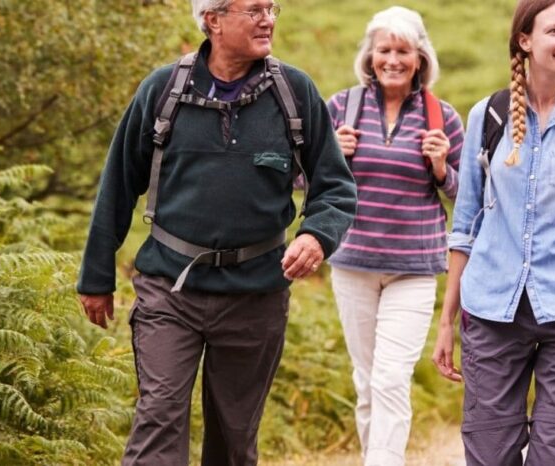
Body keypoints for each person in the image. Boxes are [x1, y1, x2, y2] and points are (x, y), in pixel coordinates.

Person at [75, 0, 357, 464]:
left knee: (233, 437)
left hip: (257, 293)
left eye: (272, 8)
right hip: (170, 289)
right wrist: (96, 276)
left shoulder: (295, 92)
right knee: (158, 418)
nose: (268, 18)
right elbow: (118, 184)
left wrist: (316, 236)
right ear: (214, 20)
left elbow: (335, 185)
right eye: (254, 9)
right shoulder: (163, 90)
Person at [432, 0, 555, 464]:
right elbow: (465, 226)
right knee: (488, 454)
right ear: (525, 41)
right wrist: (447, 320)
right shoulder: (489, 114)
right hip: (490, 312)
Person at [323, 6, 463, 466]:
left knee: (389, 379)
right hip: (353, 263)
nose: (393, 59)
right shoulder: (341, 107)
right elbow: (305, 181)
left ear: (420, 58)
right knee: (366, 382)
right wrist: (332, 157)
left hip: (414, 268)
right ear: (370, 54)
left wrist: (442, 169)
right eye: (384, 49)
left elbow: (467, 198)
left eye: (403, 50)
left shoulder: (443, 117)